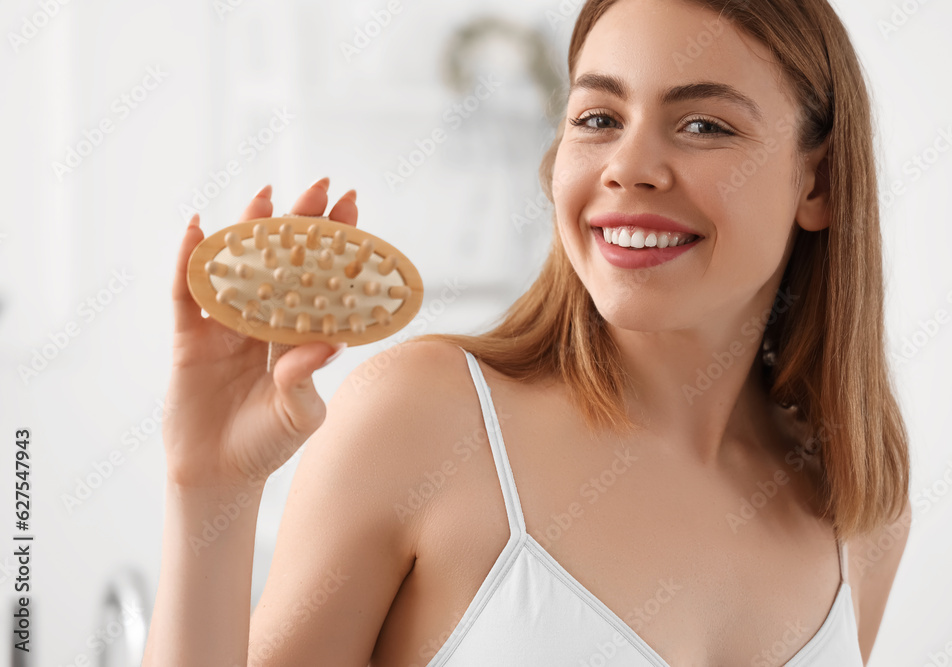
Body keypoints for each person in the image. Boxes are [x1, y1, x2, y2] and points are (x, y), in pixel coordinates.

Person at [141, 0, 913, 664]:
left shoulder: (857, 505)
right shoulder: (427, 418)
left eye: (704, 125)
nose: (628, 165)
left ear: (819, 182)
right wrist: (209, 488)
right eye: (598, 118)